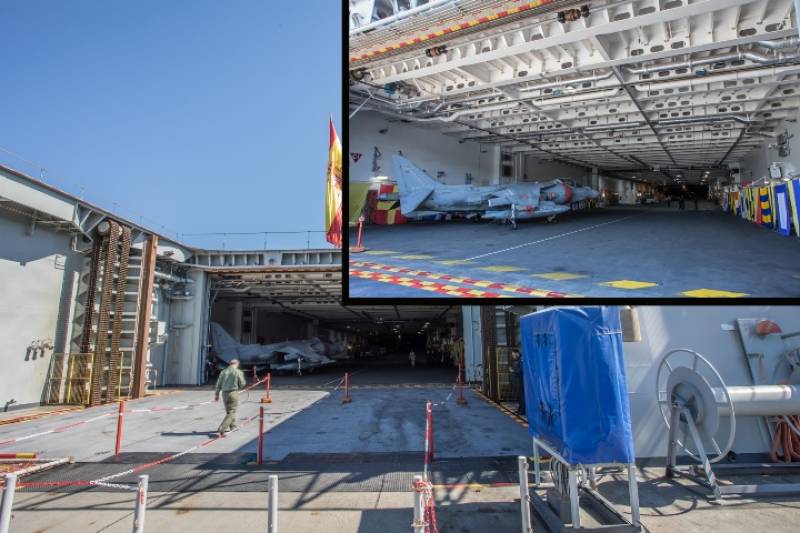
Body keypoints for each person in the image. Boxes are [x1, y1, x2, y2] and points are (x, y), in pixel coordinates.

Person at [215, 358, 246, 437]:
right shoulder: (238, 372)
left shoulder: (223, 371)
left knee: (229, 411)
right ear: (237, 364)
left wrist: (217, 394)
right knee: (232, 411)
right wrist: (241, 386)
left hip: (224, 394)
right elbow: (242, 384)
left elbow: (219, 384)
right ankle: (222, 427)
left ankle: (233, 426)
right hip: (233, 393)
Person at [510, 349, 525, 416]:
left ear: (517, 353)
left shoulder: (520, 360)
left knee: (521, 396)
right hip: (516, 381)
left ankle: (522, 410)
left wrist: (513, 371)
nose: (513, 356)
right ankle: (520, 408)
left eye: (513, 355)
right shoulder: (515, 361)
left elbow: (521, 370)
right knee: (518, 396)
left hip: (520, 381)